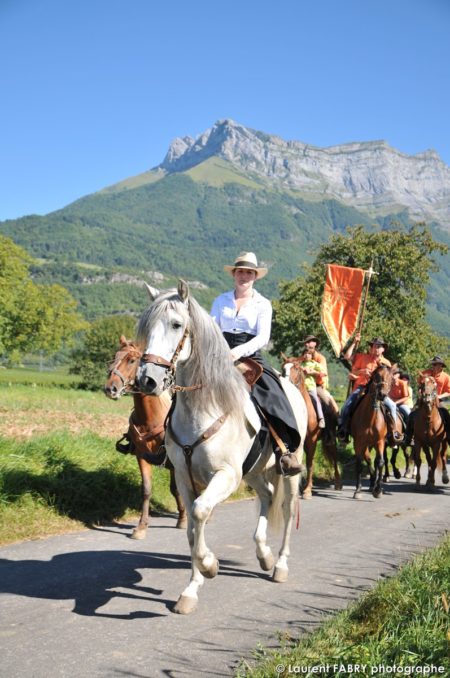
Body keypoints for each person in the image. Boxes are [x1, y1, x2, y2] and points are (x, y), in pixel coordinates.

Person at [211, 251, 303, 476]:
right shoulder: (220, 300)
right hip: (219, 353)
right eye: (240, 271)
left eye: (249, 272)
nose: (244, 276)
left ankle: (284, 449)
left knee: (271, 393)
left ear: (255, 276)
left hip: (250, 355)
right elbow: (212, 328)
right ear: (234, 274)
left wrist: (236, 353)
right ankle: (169, 444)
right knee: (186, 386)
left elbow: (262, 337)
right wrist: (219, 352)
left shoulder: (263, 303)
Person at [337, 334, 402, 442]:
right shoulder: (362, 357)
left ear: (383, 349)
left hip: (378, 391)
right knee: (346, 406)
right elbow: (347, 357)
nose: (375, 349)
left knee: (392, 406)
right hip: (361, 388)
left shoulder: (386, 363)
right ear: (370, 348)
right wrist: (354, 342)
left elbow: (388, 379)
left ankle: (393, 431)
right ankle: (343, 430)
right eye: (373, 346)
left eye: (378, 346)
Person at [404, 356, 450, 445]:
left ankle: (448, 435)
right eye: (433, 364)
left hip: (438, 401)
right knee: (412, 414)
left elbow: (449, 392)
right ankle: (408, 437)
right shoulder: (426, 373)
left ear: (441, 366)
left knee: (446, 414)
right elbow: (419, 385)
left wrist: (439, 396)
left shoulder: (446, 377)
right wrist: (420, 392)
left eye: (436, 364)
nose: (434, 366)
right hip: (424, 399)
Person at [298, 335, 339, 415]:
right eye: (306, 343)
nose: (306, 344)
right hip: (302, 384)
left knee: (329, 401)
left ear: (315, 344)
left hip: (317, 386)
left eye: (309, 342)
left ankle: (337, 419)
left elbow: (324, 373)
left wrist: (311, 372)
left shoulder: (320, 358)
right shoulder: (302, 357)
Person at [300, 350, 326, 427]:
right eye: (305, 353)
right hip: (300, 388)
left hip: (310, 386)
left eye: (309, 354)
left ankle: (321, 418)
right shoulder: (300, 364)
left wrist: (313, 372)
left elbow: (324, 373)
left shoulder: (314, 364)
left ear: (311, 356)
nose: (307, 355)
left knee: (315, 400)